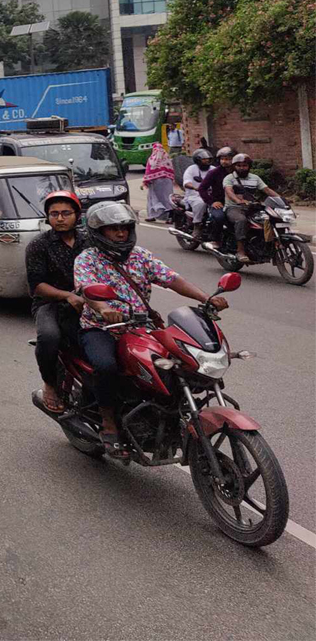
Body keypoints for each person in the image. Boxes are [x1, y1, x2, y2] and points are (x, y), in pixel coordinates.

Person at [73, 202, 228, 458]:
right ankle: (109, 424)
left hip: (142, 327)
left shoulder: (140, 255)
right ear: (99, 232)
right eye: (113, 229)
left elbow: (172, 279)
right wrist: (103, 309)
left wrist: (205, 298)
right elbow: (87, 290)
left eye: (124, 228)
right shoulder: (87, 259)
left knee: (180, 362)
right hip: (102, 328)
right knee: (106, 366)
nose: (121, 234)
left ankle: (168, 412)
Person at [26, 191, 88, 413]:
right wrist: (67, 295)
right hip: (49, 304)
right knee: (49, 337)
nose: (60, 219)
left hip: (89, 302)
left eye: (65, 213)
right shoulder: (38, 245)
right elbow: (37, 286)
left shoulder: (90, 241)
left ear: (77, 215)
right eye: (54, 214)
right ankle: (50, 384)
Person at [223, 153, 285, 263]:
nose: (242, 168)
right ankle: (240, 251)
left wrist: (281, 200)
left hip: (252, 207)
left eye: (244, 165)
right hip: (234, 208)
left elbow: (267, 190)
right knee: (241, 220)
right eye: (239, 166)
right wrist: (239, 201)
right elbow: (229, 191)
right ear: (234, 166)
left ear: (249, 166)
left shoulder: (255, 178)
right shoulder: (229, 178)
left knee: (271, 219)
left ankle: (270, 245)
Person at [197, 146, 236, 242]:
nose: (224, 161)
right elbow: (202, 188)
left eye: (227, 159)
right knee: (219, 217)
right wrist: (212, 202)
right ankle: (215, 240)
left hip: (234, 203)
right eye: (222, 159)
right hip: (219, 203)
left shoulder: (238, 172)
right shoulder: (214, 172)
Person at [181, 148, 213, 240]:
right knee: (201, 203)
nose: (207, 161)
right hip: (195, 195)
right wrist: (196, 187)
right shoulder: (191, 169)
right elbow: (186, 182)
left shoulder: (213, 169)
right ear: (197, 160)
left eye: (208, 159)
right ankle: (197, 225)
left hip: (211, 195)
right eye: (204, 159)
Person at [141, 142, 176, 222]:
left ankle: (152, 216)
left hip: (155, 183)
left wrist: (145, 181)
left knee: (153, 198)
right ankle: (169, 217)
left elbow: (149, 172)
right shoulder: (167, 159)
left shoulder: (152, 159)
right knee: (168, 199)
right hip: (167, 183)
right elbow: (172, 171)